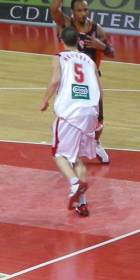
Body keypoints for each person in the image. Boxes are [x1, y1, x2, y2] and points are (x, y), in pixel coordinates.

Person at [51, 0, 116, 163]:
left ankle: (96, 144)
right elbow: (53, 9)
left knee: (98, 119)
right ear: (72, 12)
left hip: (92, 79)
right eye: (79, 10)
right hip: (70, 79)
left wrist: (101, 45)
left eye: (85, 9)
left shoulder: (96, 29)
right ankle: (70, 148)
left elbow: (112, 53)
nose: (83, 13)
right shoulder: (66, 24)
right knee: (71, 116)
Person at [39, 26, 101, 217]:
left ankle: (75, 184)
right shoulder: (90, 61)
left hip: (70, 112)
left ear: (61, 41)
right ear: (79, 41)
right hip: (90, 112)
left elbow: (55, 80)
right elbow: (100, 89)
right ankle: (82, 203)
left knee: (59, 154)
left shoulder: (59, 57)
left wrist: (45, 100)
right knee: (78, 158)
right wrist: (97, 116)